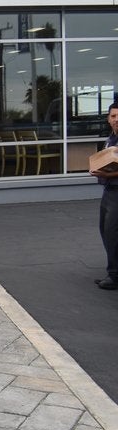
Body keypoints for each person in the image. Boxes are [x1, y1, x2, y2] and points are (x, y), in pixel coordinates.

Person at [91, 102, 118, 289]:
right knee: (106, 230)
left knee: (112, 233)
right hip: (109, 190)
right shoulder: (111, 139)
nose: (117, 120)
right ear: (108, 119)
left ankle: (114, 276)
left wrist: (110, 174)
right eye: (114, 116)